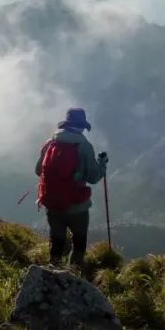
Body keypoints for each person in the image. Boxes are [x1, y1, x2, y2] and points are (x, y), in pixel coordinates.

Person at [35, 107, 108, 266]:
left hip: (52, 203)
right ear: (82, 126)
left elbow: (38, 170)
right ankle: (74, 275)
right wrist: (102, 164)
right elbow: (94, 177)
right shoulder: (84, 146)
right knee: (79, 242)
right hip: (77, 206)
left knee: (57, 240)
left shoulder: (50, 142)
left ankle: (53, 272)